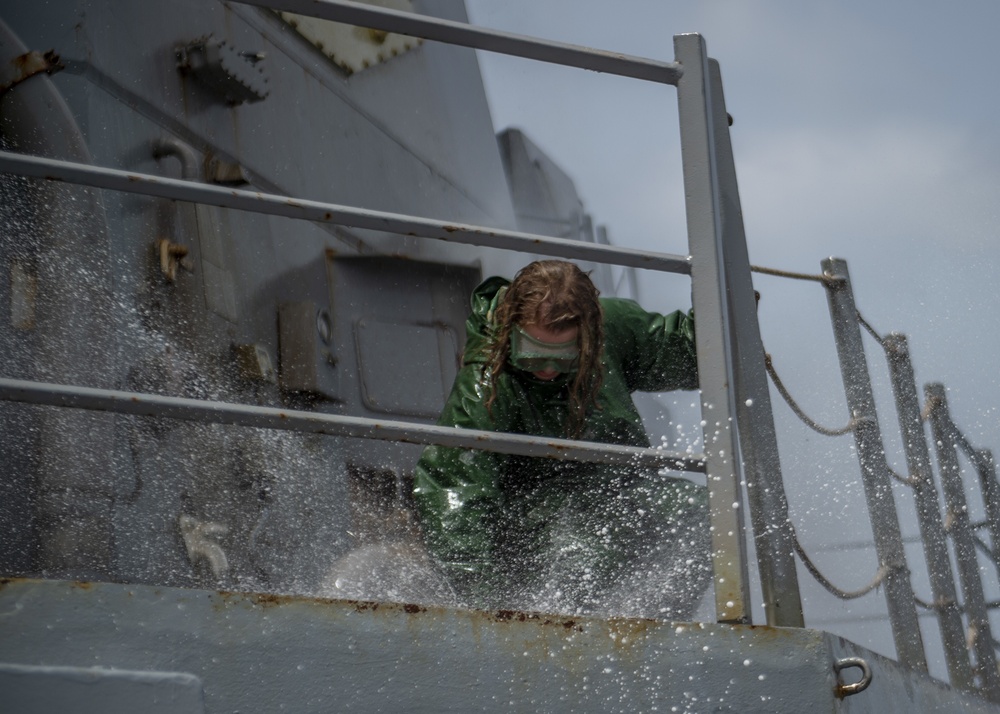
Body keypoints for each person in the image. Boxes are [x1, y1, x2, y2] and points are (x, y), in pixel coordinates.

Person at [412, 260, 710, 617]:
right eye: (533, 354)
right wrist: (488, 608)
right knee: (585, 547)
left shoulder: (609, 330)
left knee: (701, 513)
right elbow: (454, 490)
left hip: (621, 493)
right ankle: (565, 636)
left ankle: (657, 629)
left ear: (590, 336)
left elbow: (688, 354)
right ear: (511, 331)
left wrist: (722, 316)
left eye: (565, 357)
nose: (548, 370)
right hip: (534, 516)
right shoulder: (487, 384)